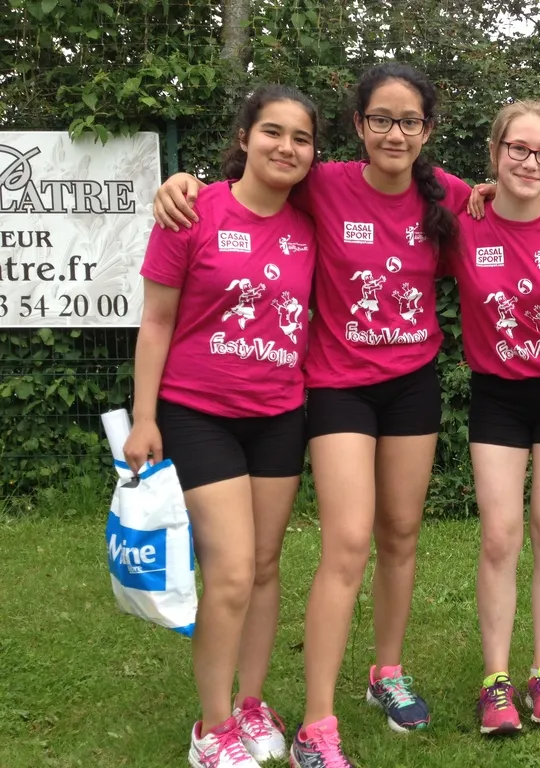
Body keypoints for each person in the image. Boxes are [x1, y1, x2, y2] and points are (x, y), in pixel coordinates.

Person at [154, 64, 540, 767]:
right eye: (380, 119)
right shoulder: (323, 184)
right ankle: (316, 724)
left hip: (412, 386)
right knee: (349, 543)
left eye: (409, 121)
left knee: (401, 535)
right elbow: (253, 186)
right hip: (338, 389)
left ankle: (386, 671)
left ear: (428, 130)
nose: (394, 133)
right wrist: (186, 186)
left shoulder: (451, 196)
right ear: (357, 125)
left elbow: (515, 203)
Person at [123, 85, 319, 768]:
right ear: (243, 138)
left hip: (280, 414)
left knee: (264, 568)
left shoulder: (310, 222)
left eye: (301, 138)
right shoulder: (191, 210)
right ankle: (211, 729)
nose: (286, 147)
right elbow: (156, 321)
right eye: (272, 132)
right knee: (231, 574)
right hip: (198, 413)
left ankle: (251, 703)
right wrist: (145, 417)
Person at [450, 101, 540, 735]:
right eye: (519, 149)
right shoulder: (463, 220)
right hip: (498, 396)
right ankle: (496, 681)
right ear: (495, 151)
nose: (530, 163)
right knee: (500, 535)